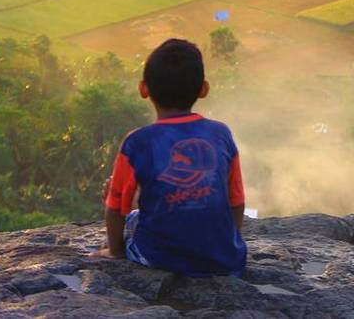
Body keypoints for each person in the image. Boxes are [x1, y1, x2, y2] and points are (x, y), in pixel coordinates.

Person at [92, 38, 246, 276]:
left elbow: (114, 209)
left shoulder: (137, 142)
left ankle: (136, 205)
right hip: (225, 260)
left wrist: (114, 251)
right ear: (203, 89)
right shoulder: (220, 133)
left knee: (128, 212)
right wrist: (227, 244)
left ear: (144, 89)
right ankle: (139, 204)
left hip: (160, 258)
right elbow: (236, 201)